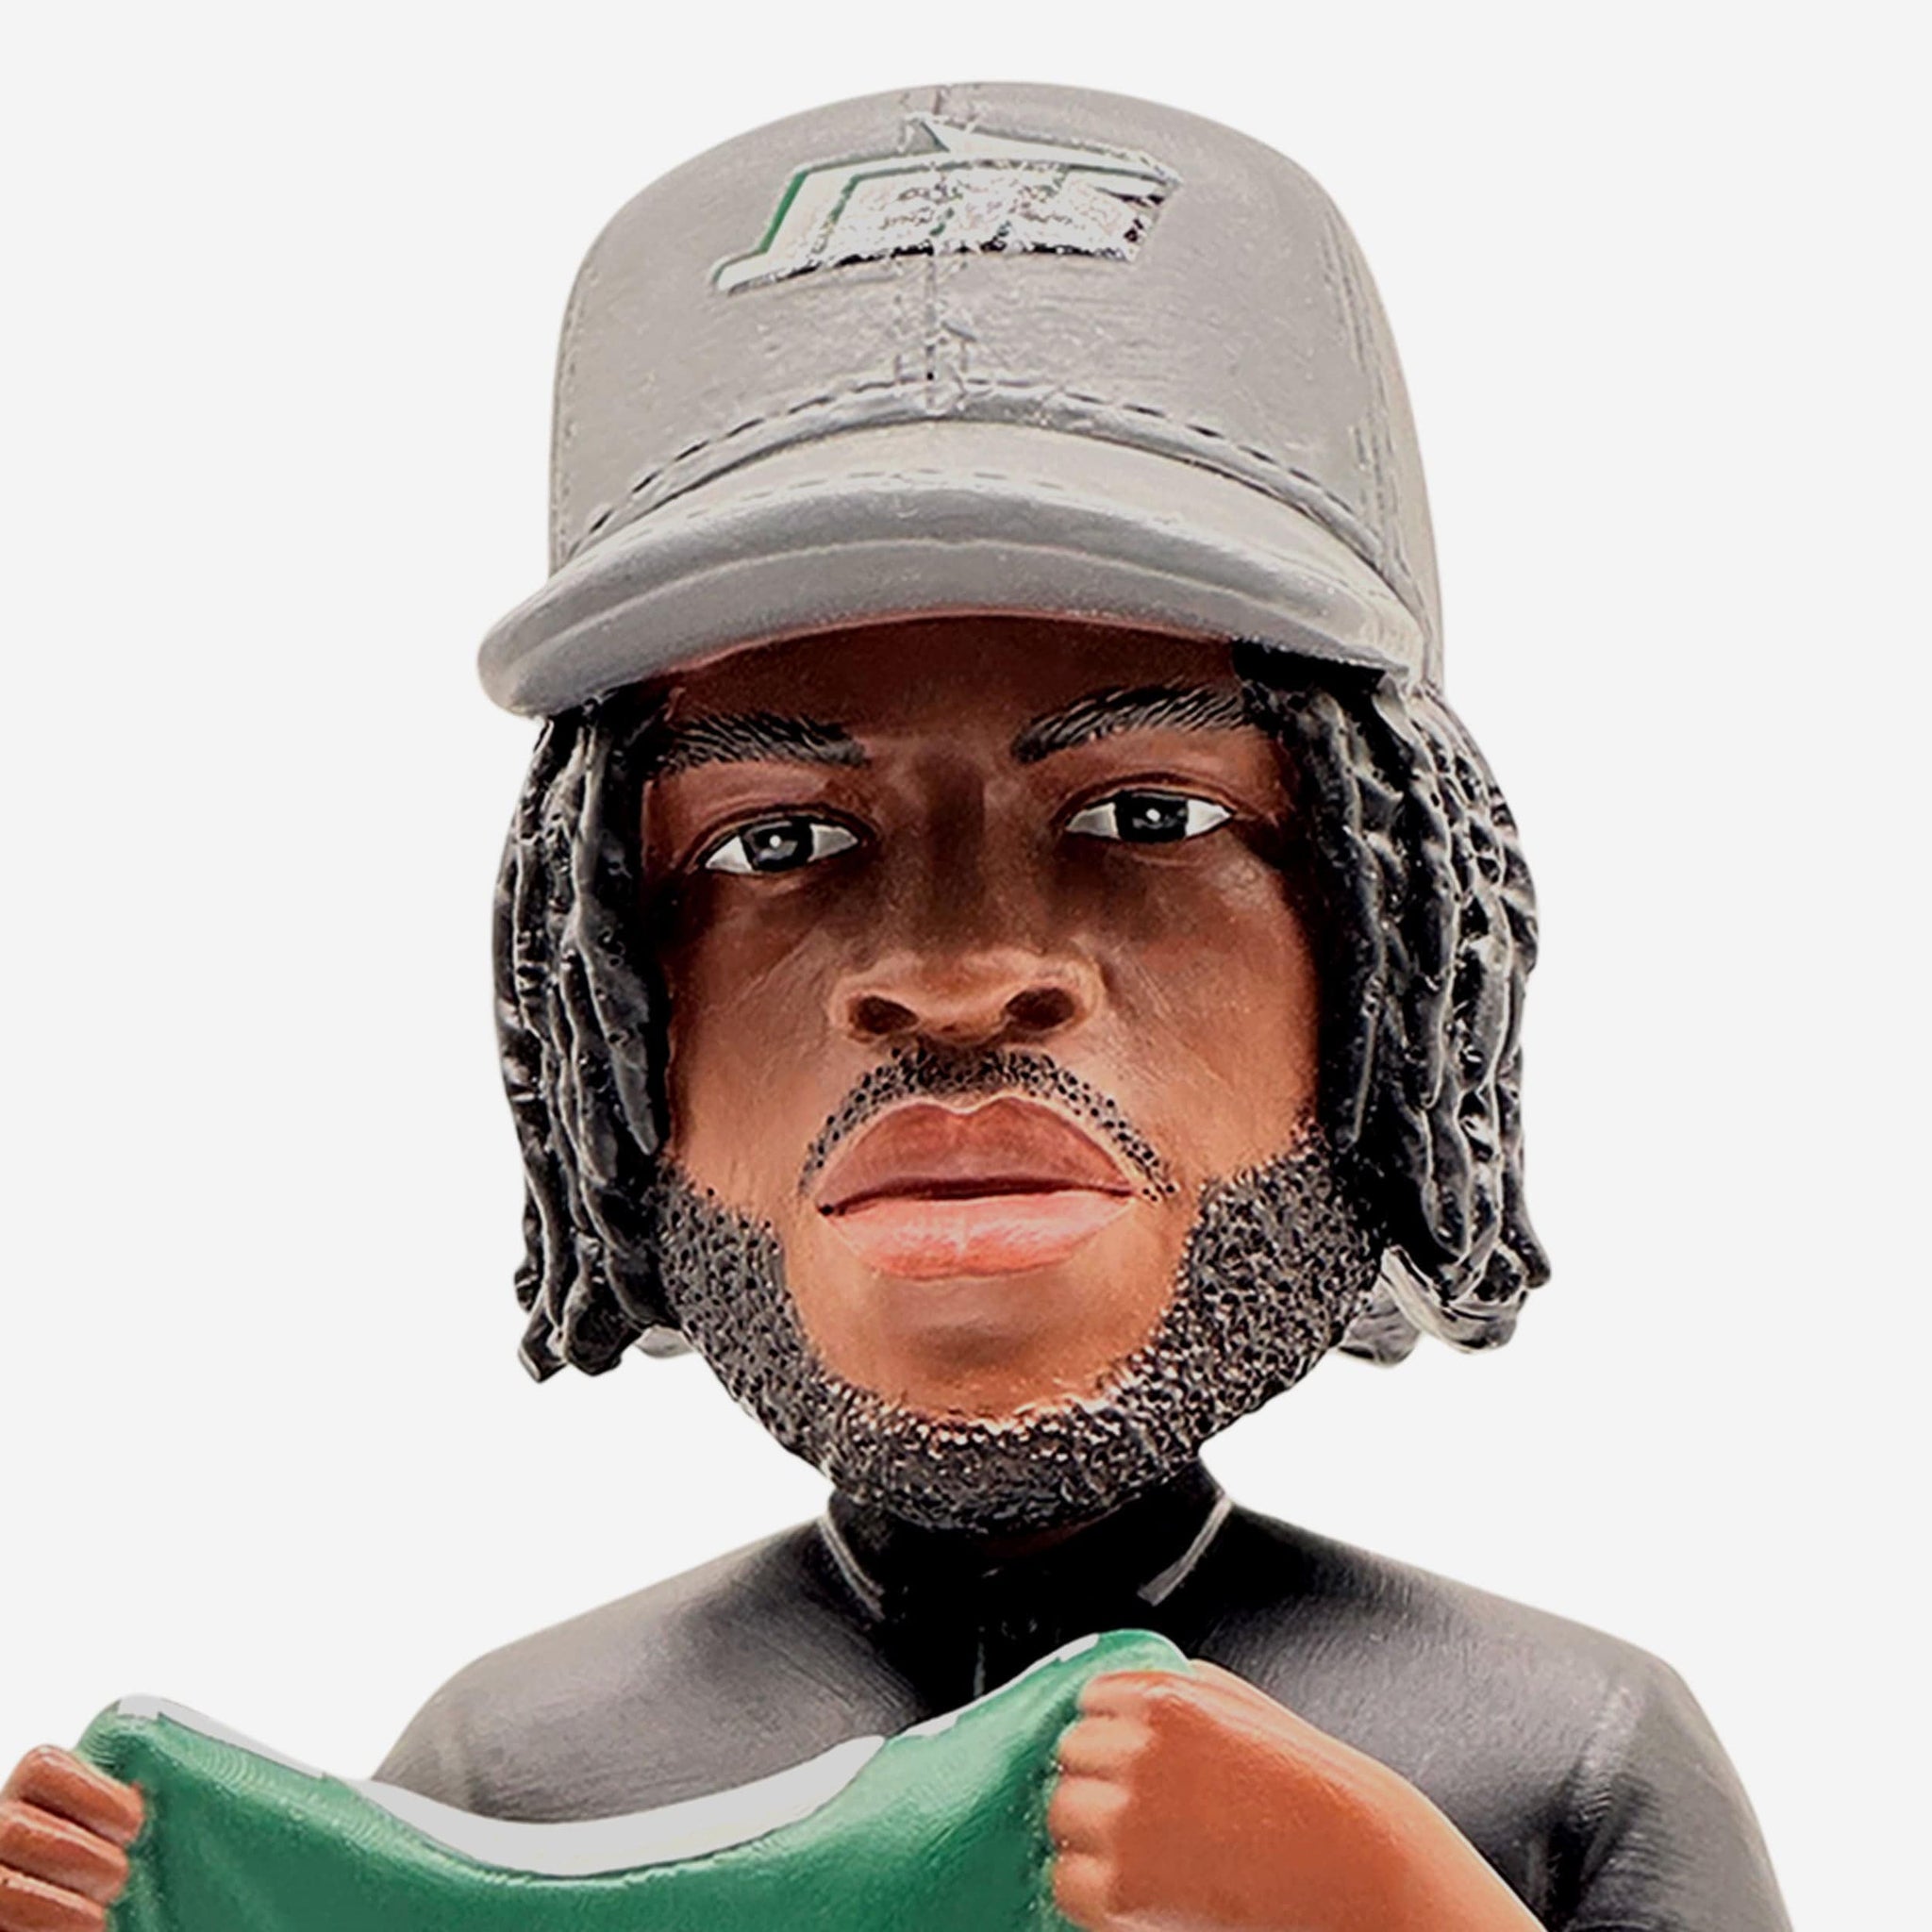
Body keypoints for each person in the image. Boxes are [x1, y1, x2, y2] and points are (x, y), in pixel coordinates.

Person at [0, 83, 1792, 1932]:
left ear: (1380, 960)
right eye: (776, 841)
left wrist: (1405, 1907)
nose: (950, 971)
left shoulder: (1554, 1762)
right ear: (614, 1009)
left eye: (1147, 818)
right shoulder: (517, 1773)